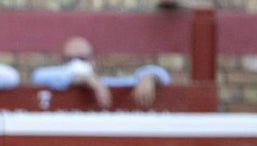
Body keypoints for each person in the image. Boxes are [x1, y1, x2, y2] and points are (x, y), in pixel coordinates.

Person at [30, 35, 171, 109]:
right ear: (61, 62)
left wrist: (148, 76)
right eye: (69, 59)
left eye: (82, 59)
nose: (76, 64)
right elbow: (38, 76)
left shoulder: (105, 83)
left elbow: (162, 74)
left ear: (93, 61)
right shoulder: (55, 79)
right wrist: (86, 79)